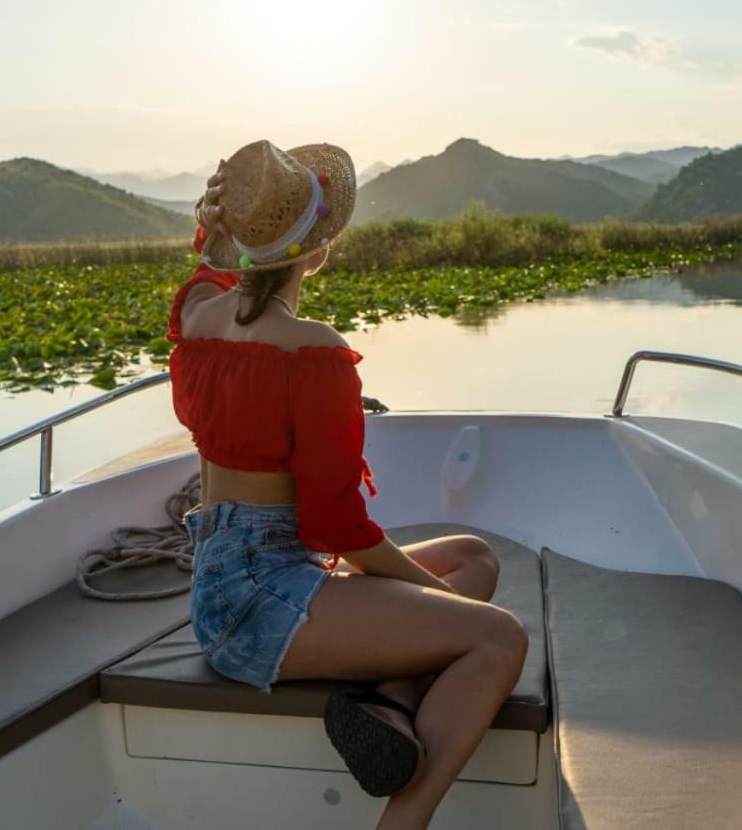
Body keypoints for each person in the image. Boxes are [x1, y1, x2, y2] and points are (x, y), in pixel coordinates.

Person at [169, 139, 528, 830]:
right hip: (263, 602)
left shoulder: (196, 317)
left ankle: (388, 702)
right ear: (318, 249)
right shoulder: (313, 352)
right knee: (497, 638)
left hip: (219, 580)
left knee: (473, 557)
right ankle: (403, 824)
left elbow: (213, 273)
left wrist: (217, 234)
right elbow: (335, 526)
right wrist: (435, 601)